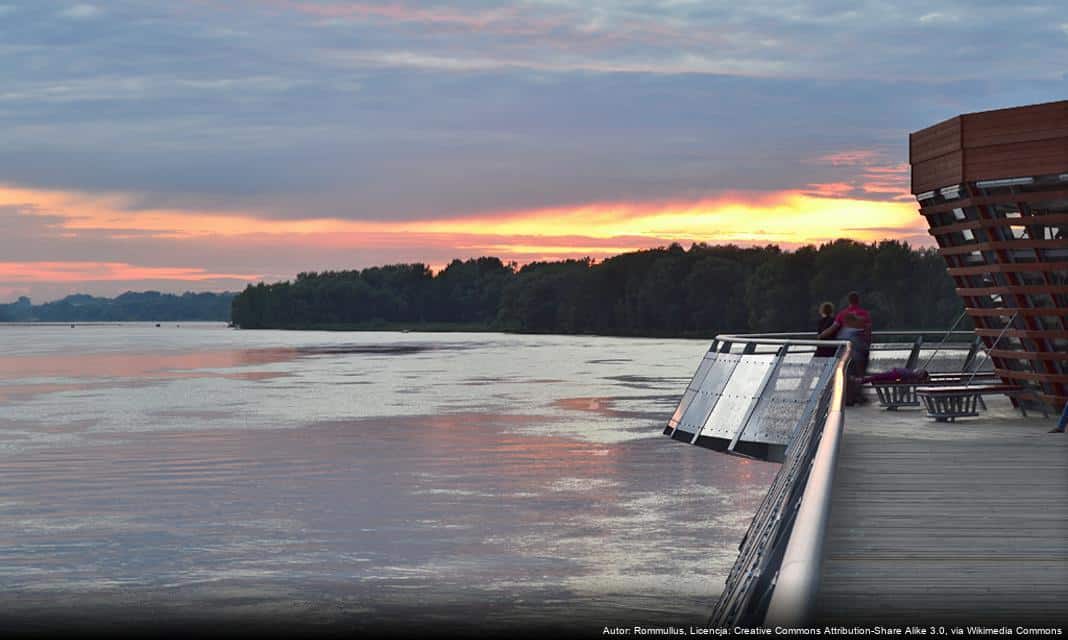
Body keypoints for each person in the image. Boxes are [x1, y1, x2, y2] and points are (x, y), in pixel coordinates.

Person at [820, 291, 872, 405]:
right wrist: (867, 344)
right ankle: (859, 394)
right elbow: (868, 331)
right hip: (861, 348)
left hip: (847, 350)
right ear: (858, 300)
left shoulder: (842, 314)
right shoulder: (864, 314)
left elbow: (833, 328)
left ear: (849, 301)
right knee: (860, 373)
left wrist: (821, 336)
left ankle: (848, 397)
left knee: (847, 372)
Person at [862, 368, 930, 384]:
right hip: (896, 373)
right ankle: (862, 380)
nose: (916, 370)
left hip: (896, 374)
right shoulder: (912, 375)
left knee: (878, 377)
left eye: (919, 371)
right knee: (878, 377)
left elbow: (902, 380)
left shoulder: (912, 375)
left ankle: (862, 380)